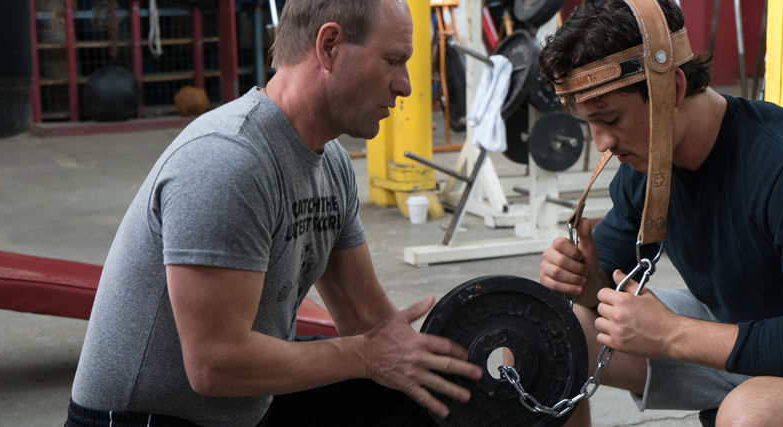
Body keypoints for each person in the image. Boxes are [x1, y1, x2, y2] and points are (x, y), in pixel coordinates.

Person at [65, 0, 483, 426]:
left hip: (243, 408)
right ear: (330, 46)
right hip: (147, 419)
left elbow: (366, 320)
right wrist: (367, 355)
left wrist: (478, 378)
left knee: (430, 403)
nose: (405, 86)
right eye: (393, 61)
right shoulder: (228, 161)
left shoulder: (332, 164)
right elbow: (214, 364)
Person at [537, 1, 783, 426]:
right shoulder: (647, 165)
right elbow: (602, 289)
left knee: (752, 416)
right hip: (731, 329)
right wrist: (584, 279)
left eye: (609, 118)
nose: (601, 143)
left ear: (673, 87)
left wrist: (672, 334)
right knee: (540, 337)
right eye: (587, 125)